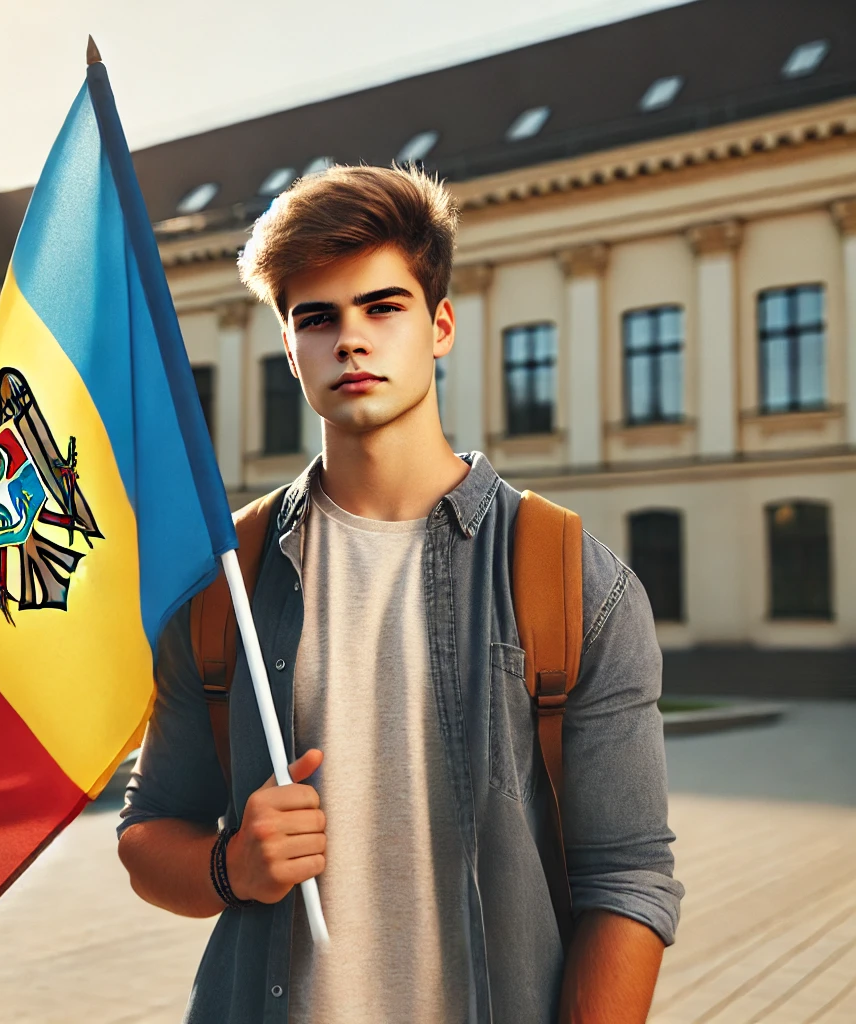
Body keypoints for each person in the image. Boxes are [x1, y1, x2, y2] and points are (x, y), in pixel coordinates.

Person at [116, 164, 684, 1023]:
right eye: (318, 317)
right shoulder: (224, 579)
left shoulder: (571, 579)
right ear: (290, 347)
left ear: (440, 324)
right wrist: (232, 866)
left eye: (383, 307)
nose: (351, 339)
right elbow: (151, 831)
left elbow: (629, 880)